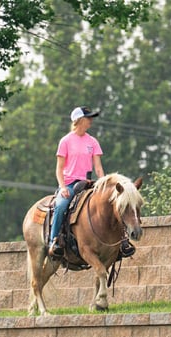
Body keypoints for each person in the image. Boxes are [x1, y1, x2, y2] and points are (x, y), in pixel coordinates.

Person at [48, 106, 105, 257]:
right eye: (88, 117)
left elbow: (98, 168)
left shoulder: (93, 142)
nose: (91, 120)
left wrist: (103, 183)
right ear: (79, 120)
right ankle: (53, 241)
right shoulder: (65, 141)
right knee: (61, 206)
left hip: (88, 183)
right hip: (70, 184)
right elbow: (59, 169)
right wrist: (62, 188)